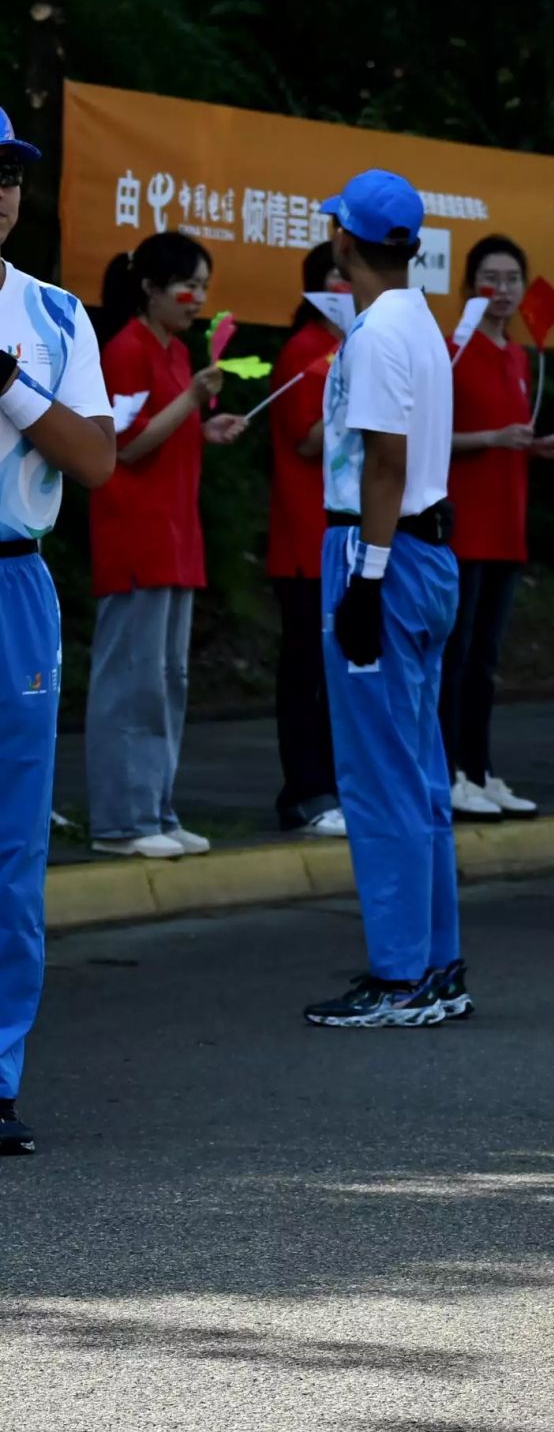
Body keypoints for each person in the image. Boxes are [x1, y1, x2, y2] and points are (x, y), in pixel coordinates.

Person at [301, 170, 465, 1031]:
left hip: (384, 554)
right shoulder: (419, 322)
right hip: (426, 553)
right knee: (419, 765)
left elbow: (386, 463)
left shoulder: (374, 334)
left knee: (379, 771)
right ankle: (436, 963)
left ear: (344, 238)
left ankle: (400, 974)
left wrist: (364, 574)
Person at [0, 105, 116, 1155]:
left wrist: (8, 384)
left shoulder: (53, 314)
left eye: (7, 172)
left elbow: (94, 459)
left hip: (13, 586)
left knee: (10, 847)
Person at [86, 230, 245, 859]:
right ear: (149, 288)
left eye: (205, 287)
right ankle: (121, 822)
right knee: (132, 681)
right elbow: (123, 444)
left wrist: (205, 426)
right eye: (189, 286)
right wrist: (192, 400)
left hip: (177, 540)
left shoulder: (176, 352)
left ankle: (155, 808)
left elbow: (167, 430)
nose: (198, 298)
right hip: (135, 540)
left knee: (168, 680)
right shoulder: (125, 351)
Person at [440, 234, 539, 820]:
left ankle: (479, 770)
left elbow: (510, 437)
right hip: (463, 526)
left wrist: (534, 445)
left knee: (486, 661)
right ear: (469, 285)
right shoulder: (456, 349)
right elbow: (429, 435)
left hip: (508, 526)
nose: (501, 291)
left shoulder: (518, 355)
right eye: (490, 278)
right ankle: (450, 770)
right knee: (457, 656)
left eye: (511, 280)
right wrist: (490, 440)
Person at [269, 244, 352, 837]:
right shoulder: (303, 352)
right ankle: (304, 792)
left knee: (334, 671)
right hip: (303, 536)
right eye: (333, 279)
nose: (344, 287)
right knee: (305, 672)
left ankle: (329, 785)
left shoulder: (351, 347)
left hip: (339, 535)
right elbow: (306, 439)